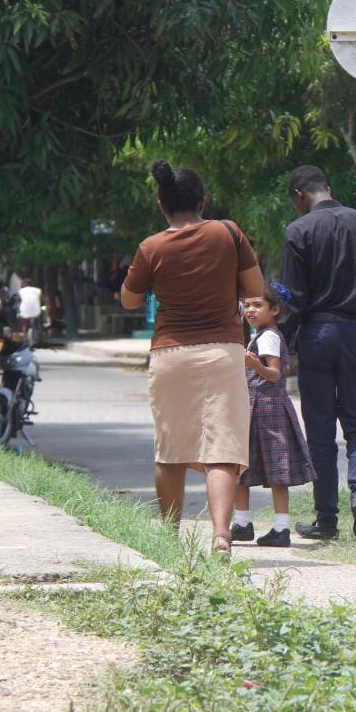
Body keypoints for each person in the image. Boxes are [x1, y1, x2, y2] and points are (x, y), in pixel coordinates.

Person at [121, 160, 265, 554]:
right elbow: (255, 288)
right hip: (223, 352)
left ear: (161, 205)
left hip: (170, 353)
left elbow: (130, 300)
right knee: (223, 448)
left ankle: (169, 540)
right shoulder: (228, 232)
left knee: (171, 450)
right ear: (202, 201)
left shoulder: (151, 247)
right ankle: (221, 535)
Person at [280, 165, 356, 541]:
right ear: (327, 187)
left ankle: (327, 519)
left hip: (316, 335)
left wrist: (279, 344)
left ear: (300, 194)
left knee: (320, 430)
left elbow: (293, 299)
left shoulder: (298, 231)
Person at [230, 282, 316, 547]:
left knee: (269, 467)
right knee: (244, 466)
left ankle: (275, 527)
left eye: (258, 305)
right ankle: (246, 523)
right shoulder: (260, 335)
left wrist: (255, 365)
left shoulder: (268, 336)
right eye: (247, 305)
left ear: (275, 310)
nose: (251, 310)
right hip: (259, 406)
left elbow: (275, 374)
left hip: (267, 409)